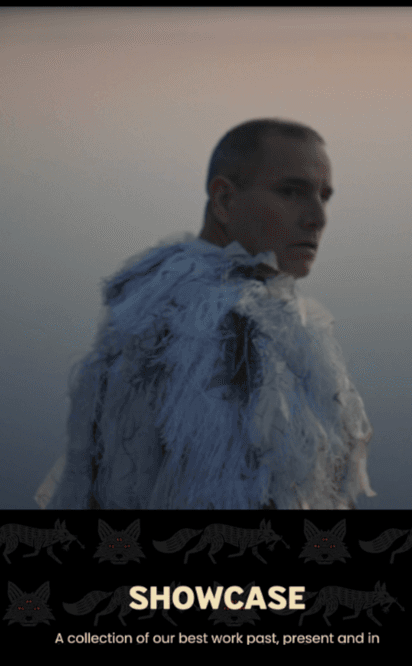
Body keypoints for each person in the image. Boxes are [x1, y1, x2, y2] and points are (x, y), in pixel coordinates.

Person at [36, 118, 375, 510]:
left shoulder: (163, 299)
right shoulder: (222, 322)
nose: (318, 217)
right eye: (291, 192)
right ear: (225, 201)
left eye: (324, 196)